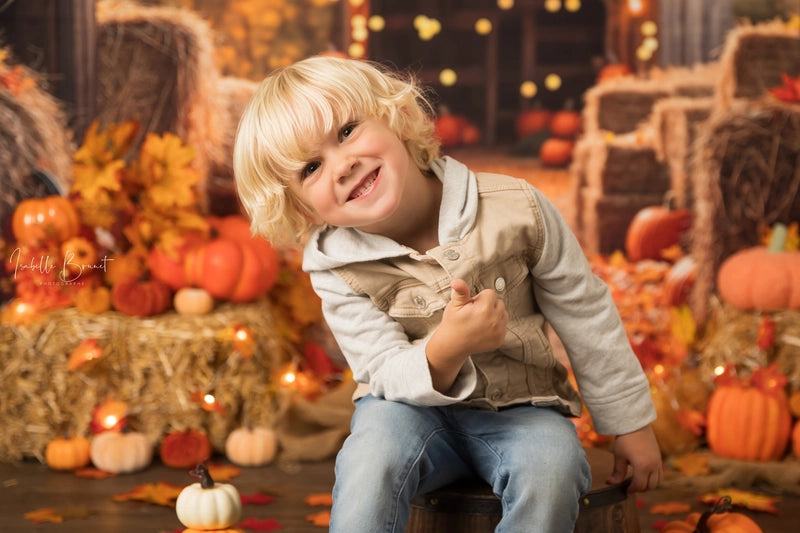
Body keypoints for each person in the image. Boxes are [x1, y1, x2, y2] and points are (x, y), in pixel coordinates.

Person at [233, 56, 661, 533]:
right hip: (406, 414)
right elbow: (381, 367)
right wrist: (448, 346)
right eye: (311, 167)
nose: (342, 164)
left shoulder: (515, 208)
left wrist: (630, 423)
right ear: (296, 205)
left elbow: (585, 312)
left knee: (552, 468)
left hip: (522, 408)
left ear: (393, 116)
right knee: (371, 455)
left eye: (347, 131)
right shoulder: (335, 266)